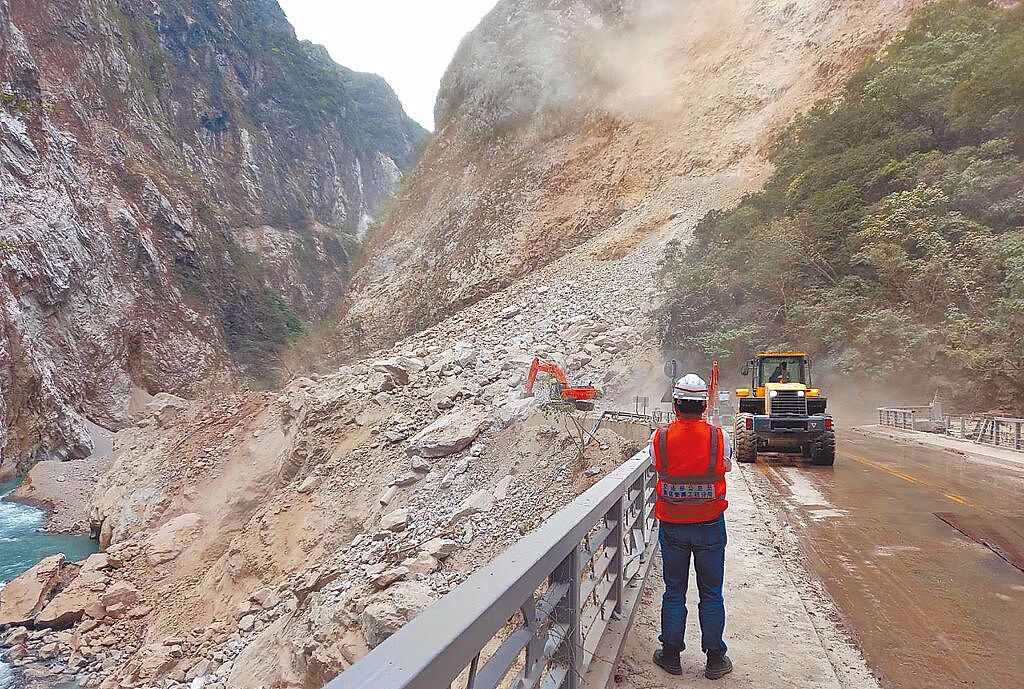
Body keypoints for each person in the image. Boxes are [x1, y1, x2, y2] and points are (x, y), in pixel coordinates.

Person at [649, 373, 733, 680]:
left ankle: (671, 654)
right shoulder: (719, 437)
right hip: (710, 524)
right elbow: (728, 463)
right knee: (711, 593)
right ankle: (714, 659)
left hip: (672, 525)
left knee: (674, 591)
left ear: (674, 405)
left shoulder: (659, 438)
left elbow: (656, 463)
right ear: (705, 405)